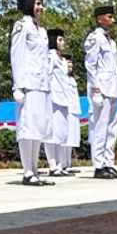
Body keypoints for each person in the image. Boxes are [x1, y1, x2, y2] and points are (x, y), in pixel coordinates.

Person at [12, 0, 53, 186]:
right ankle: (27, 171)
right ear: (29, 4)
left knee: (38, 128)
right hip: (27, 84)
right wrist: (17, 86)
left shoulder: (42, 30)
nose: (40, 8)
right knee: (27, 128)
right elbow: (17, 55)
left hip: (41, 84)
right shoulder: (22, 26)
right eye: (37, 4)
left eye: (41, 4)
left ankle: (34, 169)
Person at [84, 6, 117, 178]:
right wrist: (95, 89)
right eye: (109, 16)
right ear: (100, 19)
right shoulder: (95, 38)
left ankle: (109, 163)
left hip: (113, 88)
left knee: (112, 128)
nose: (113, 20)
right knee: (100, 127)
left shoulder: (111, 41)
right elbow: (90, 65)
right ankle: (98, 165)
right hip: (102, 88)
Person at [44, 29, 76, 178]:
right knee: (53, 134)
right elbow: (47, 75)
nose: (63, 43)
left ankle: (59, 164)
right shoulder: (50, 56)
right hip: (53, 98)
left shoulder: (62, 59)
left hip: (63, 99)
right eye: (60, 40)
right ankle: (52, 165)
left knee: (62, 133)